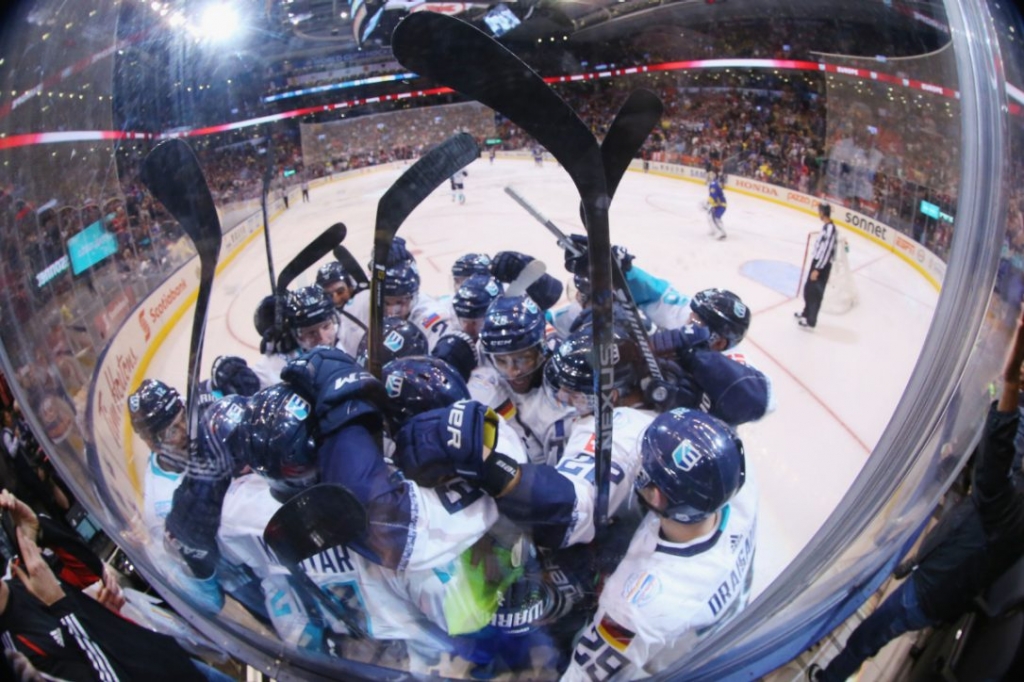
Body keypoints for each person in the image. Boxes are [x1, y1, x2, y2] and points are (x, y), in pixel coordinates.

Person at [807, 303, 1024, 681]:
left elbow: (994, 466)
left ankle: (829, 678)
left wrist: (1009, 386)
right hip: (939, 569)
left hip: (931, 591)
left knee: (866, 638)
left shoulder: (1011, 509)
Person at [561, 408, 757, 681]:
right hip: (725, 639)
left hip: (674, 667)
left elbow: (582, 675)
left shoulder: (630, 609)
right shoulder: (740, 494)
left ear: (655, 496)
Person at [0, 490, 229, 681]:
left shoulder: (22, 575)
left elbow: (90, 569)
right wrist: (64, 608)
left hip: (169, 660)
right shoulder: (19, 653)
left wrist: (40, 529)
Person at [650, 288, 774, 426]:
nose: (688, 325)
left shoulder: (735, 362)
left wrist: (693, 354)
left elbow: (760, 400)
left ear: (720, 343)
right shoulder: (693, 319)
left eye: (695, 325)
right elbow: (653, 291)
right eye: (692, 317)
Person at [796, 203, 838, 330]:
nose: (818, 213)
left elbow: (827, 251)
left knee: (815, 293)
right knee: (809, 289)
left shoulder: (830, 229)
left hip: (821, 266)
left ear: (823, 212)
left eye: (820, 211)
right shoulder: (826, 227)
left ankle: (810, 321)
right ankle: (805, 313)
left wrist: (818, 269)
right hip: (817, 263)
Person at [706, 170, 728, 240]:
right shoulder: (714, 183)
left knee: (716, 218)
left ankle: (722, 233)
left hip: (720, 205)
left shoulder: (713, 184)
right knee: (710, 216)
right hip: (717, 204)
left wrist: (708, 202)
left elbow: (713, 195)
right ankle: (714, 230)